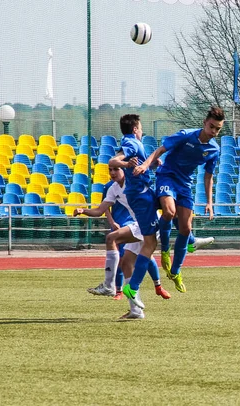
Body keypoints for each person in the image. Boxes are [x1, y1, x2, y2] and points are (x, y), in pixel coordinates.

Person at [134, 106, 224, 293]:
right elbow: (160, 150)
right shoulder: (186, 135)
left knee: (186, 227)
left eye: (218, 129)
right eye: (212, 127)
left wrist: (210, 202)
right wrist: (145, 164)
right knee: (169, 211)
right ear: (204, 123)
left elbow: (208, 176)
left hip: (185, 185)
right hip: (167, 176)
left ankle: (175, 271)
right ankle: (165, 250)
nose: (214, 132)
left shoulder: (214, 149)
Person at [73, 164, 170, 320]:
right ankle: (136, 311)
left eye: (115, 169)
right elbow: (99, 211)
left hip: (150, 222)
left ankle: (109, 286)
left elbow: (144, 168)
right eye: (110, 170)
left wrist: (154, 163)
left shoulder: (134, 181)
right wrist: (83, 210)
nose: (112, 172)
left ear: (124, 170)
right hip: (140, 224)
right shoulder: (113, 189)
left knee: (112, 238)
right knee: (126, 264)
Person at [108, 114, 158, 311]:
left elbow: (123, 159)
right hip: (142, 205)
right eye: (141, 126)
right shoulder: (133, 144)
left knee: (136, 252)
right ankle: (135, 309)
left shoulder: (132, 144)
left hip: (141, 212)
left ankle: (112, 286)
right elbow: (115, 159)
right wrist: (126, 164)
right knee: (129, 259)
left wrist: (151, 164)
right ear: (136, 129)